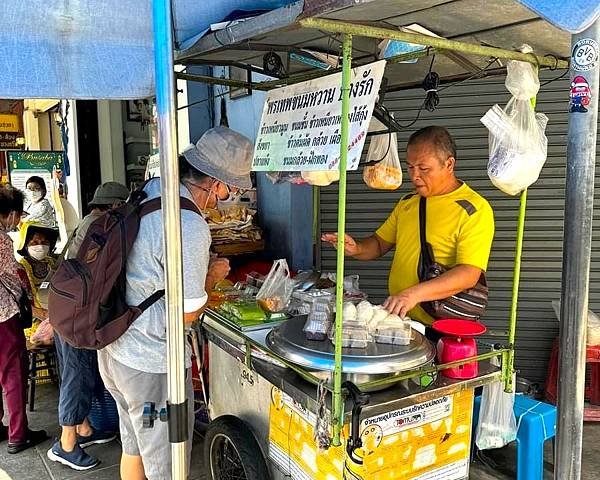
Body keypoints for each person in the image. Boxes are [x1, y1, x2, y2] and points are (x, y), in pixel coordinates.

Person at [97, 126, 253, 480]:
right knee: (168, 467)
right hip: (153, 366)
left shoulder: (151, 191)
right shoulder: (189, 224)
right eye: (232, 189)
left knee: (134, 447)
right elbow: (186, 313)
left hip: (116, 351)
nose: (227, 198)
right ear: (217, 184)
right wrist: (210, 277)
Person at [322, 126, 495, 326]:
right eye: (410, 167)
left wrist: (412, 295)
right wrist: (356, 248)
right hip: (402, 321)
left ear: (449, 164)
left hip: (443, 326)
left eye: (424, 168)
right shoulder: (408, 202)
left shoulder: (474, 209)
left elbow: (468, 274)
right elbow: (379, 244)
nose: (414, 176)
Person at [47, 182, 130, 471]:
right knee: (78, 375)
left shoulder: (87, 222)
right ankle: (66, 444)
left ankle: (83, 429)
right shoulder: (101, 228)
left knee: (75, 371)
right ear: (115, 206)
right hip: (77, 315)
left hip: (64, 307)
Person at [0, 184, 48, 454]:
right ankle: (18, 433)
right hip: (3, 317)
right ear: (11, 213)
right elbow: (11, 275)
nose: (18, 222)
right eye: (19, 216)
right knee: (13, 374)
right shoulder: (2, 240)